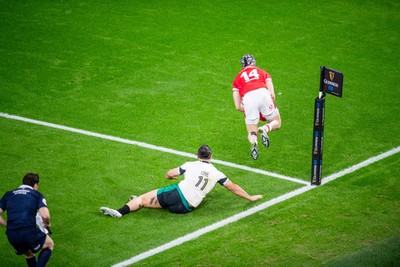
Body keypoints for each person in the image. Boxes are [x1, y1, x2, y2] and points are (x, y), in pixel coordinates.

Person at [100, 145, 262, 218]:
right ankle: (144, 202)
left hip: (176, 195)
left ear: (198, 155)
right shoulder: (216, 172)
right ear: (211, 157)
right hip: (186, 208)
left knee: (141, 199)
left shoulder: (190, 164)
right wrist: (250, 197)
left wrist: (171, 176)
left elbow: (170, 173)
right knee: (156, 199)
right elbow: (232, 187)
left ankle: (120, 212)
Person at [232, 54, 282, 160]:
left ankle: (254, 141)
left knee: (251, 131)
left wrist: (252, 111)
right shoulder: (262, 72)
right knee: (277, 122)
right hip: (263, 94)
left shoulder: (236, 79)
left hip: (248, 99)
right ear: (253, 62)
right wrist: (265, 110)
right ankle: (265, 128)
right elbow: (272, 95)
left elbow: (237, 106)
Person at [0, 173, 54, 267]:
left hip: (12, 234)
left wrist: (7, 225)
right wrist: (47, 224)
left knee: (28, 253)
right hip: (28, 231)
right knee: (49, 244)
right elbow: (45, 215)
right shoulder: (36, 194)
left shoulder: (8, 194)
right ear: (35, 185)